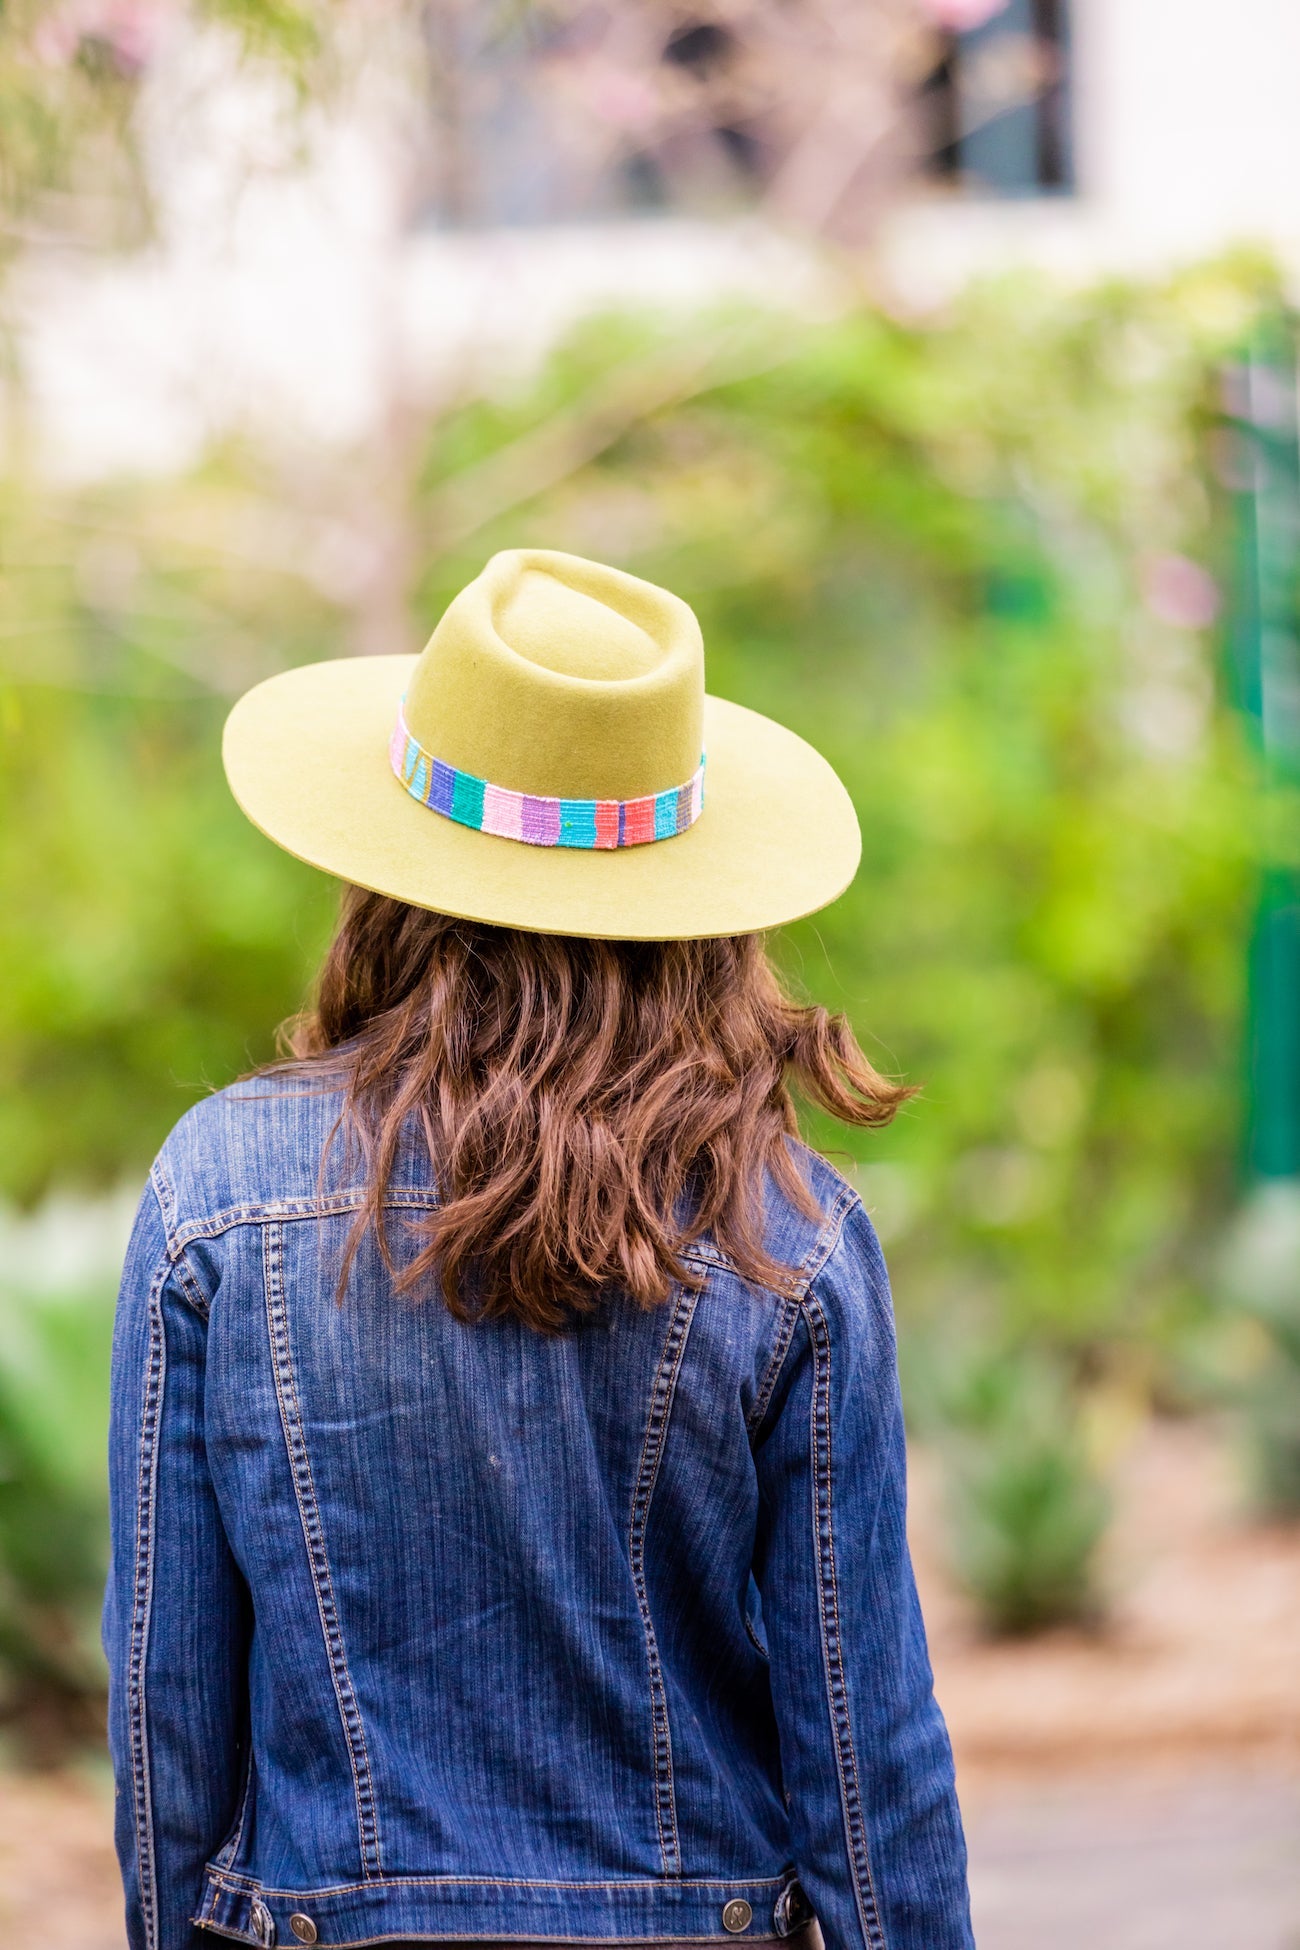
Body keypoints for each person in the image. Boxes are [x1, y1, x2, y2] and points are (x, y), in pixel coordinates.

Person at [105, 549, 973, 1950]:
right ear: (698, 904)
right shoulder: (787, 1232)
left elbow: (169, 1704)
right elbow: (869, 1751)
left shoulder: (218, 1187)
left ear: (388, 878)